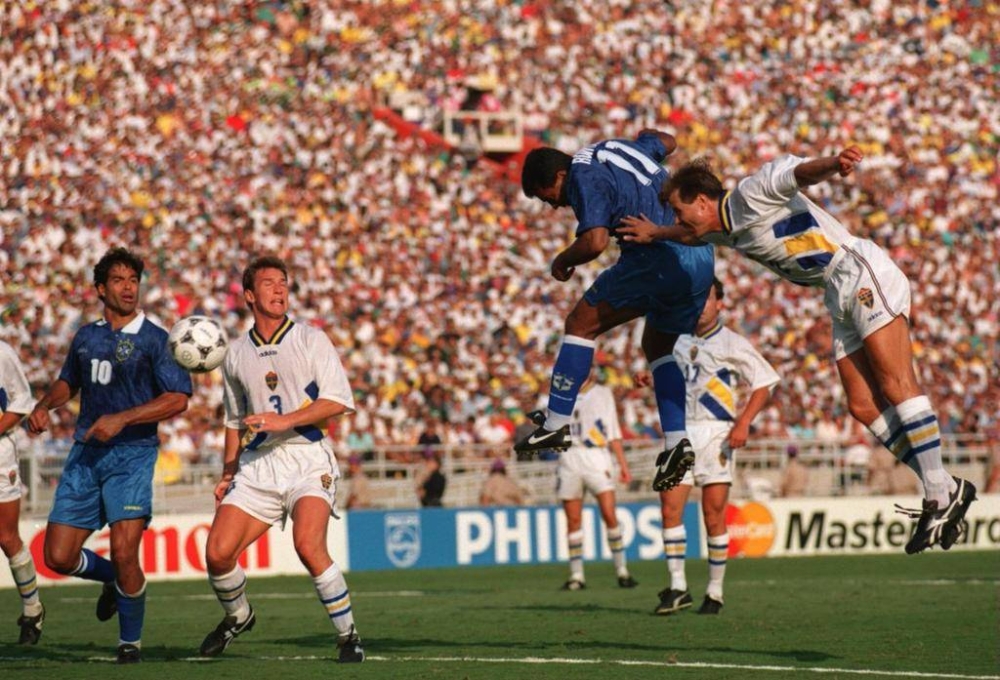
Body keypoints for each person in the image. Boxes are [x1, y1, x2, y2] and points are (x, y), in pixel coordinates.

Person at [618, 147, 977, 554]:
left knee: (896, 385)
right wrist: (656, 233)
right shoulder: (718, 228)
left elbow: (798, 174)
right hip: (836, 291)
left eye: (679, 210)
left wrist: (834, 164)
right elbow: (687, 233)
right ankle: (945, 484)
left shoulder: (750, 194)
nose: (677, 219)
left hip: (859, 270)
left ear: (702, 201)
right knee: (861, 405)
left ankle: (937, 495)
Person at [513, 130, 715, 495]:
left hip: (657, 255)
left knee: (580, 324)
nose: (554, 206)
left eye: (548, 197)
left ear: (559, 176)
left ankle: (556, 423)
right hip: (699, 253)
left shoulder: (581, 175)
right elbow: (668, 141)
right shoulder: (615, 148)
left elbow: (595, 242)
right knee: (658, 347)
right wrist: (644, 140)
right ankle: (676, 442)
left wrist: (562, 260)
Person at [26, 247, 192, 663]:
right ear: (101, 289)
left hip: (132, 456)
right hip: (86, 453)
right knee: (57, 556)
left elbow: (178, 398)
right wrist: (46, 405)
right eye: (118, 280)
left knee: (124, 551)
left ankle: (129, 643)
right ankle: (113, 580)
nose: (128, 287)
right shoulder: (87, 336)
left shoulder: (156, 339)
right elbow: (69, 382)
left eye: (133, 280)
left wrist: (123, 419)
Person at [199, 255, 364, 663]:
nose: (279, 289)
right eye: (269, 283)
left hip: (308, 458)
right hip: (259, 466)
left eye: (284, 283)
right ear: (249, 295)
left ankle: (348, 636)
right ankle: (239, 616)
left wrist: (284, 420)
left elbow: (338, 401)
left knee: (307, 544)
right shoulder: (235, 354)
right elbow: (235, 420)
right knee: (217, 553)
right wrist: (227, 473)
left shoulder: (311, 338)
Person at [639, 278, 779, 615]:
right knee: (669, 508)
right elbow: (676, 377)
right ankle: (677, 587)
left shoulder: (732, 342)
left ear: (720, 303)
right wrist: (652, 378)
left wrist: (744, 422)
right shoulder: (675, 338)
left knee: (713, 515)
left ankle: (714, 591)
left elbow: (765, 382)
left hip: (716, 434)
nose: (701, 306)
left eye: (708, 299)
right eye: (696, 299)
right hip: (679, 431)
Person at [552, 370, 638, 591]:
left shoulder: (603, 393)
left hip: (597, 456)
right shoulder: (560, 391)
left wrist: (623, 465)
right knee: (573, 520)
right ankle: (576, 575)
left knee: (609, 514)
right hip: (570, 457)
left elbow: (613, 432)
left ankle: (622, 570)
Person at [0, 339, 45, 644]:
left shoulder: (2, 353)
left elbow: (22, 402)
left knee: (6, 537)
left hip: (0, 455)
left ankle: (33, 609)